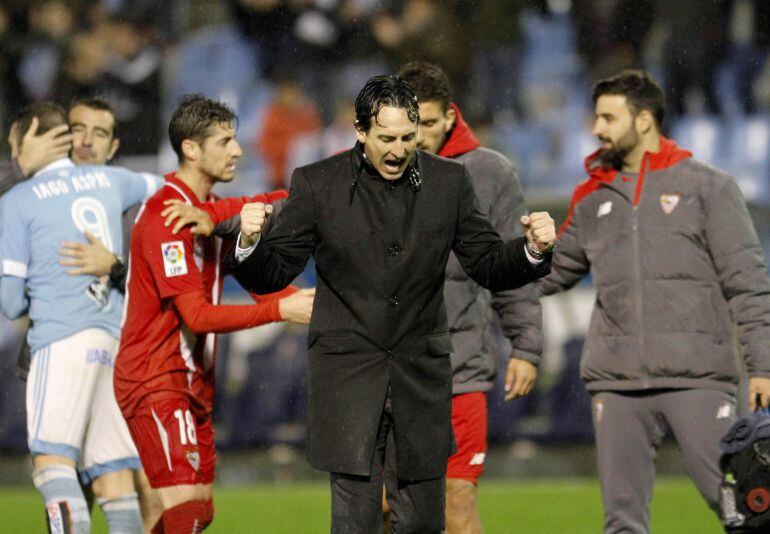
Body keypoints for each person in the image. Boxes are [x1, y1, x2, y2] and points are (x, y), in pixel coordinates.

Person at [226, 75, 556, 533]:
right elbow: (274, 270)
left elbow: (487, 263)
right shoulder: (318, 184)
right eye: (385, 138)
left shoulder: (450, 182)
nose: (398, 150)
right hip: (347, 383)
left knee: (423, 524)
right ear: (360, 131)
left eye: (407, 138)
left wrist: (533, 250)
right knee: (355, 524)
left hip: (421, 381)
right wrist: (247, 241)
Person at [539, 69, 770, 533]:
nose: (597, 128)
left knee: (746, 508)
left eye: (607, 117)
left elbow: (748, 282)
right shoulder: (592, 197)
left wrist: (762, 365)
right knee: (622, 523)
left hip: (696, 375)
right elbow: (552, 276)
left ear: (644, 120)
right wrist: (526, 252)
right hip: (617, 381)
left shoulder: (709, 188)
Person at [113, 94, 315, 533]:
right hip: (154, 379)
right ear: (190, 148)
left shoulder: (209, 215)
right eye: (224, 141)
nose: (238, 151)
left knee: (198, 513)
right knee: (184, 509)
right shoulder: (168, 217)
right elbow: (199, 317)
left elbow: (256, 274)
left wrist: (309, 303)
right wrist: (282, 310)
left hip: (192, 383)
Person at [0, 101, 164, 534]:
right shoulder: (116, 182)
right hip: (111, 343)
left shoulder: (19, 200)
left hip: (69, 344)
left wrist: (115, 267)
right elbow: (174, 187)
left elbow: (11, 303)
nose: (86, 140)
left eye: (98, 132)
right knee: (114, 481)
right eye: (78, 129)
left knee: (54, 469)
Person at [395, 61, 542, 534]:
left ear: (451, 116)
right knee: (381, 508)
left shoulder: (490, 173)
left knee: (457, 505)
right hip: (387, 370)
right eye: (410, 126)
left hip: (460, 368)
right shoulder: (370, 166)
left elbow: (513, 269)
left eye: (430, 125)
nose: (419, 138)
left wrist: (525, 346)